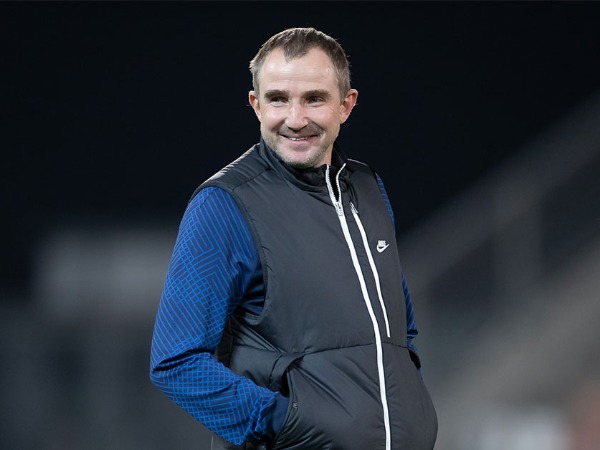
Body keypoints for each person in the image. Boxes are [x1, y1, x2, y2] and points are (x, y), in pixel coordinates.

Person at [149, 27, 438, 450]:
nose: (296, 119)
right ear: (256, 105)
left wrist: (412, 412)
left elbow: (400, 332)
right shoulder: (224, 205)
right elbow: (175, 362)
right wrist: (284, 423)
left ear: (346, 104)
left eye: (314, 99)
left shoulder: (368, 189)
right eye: (278, 99)